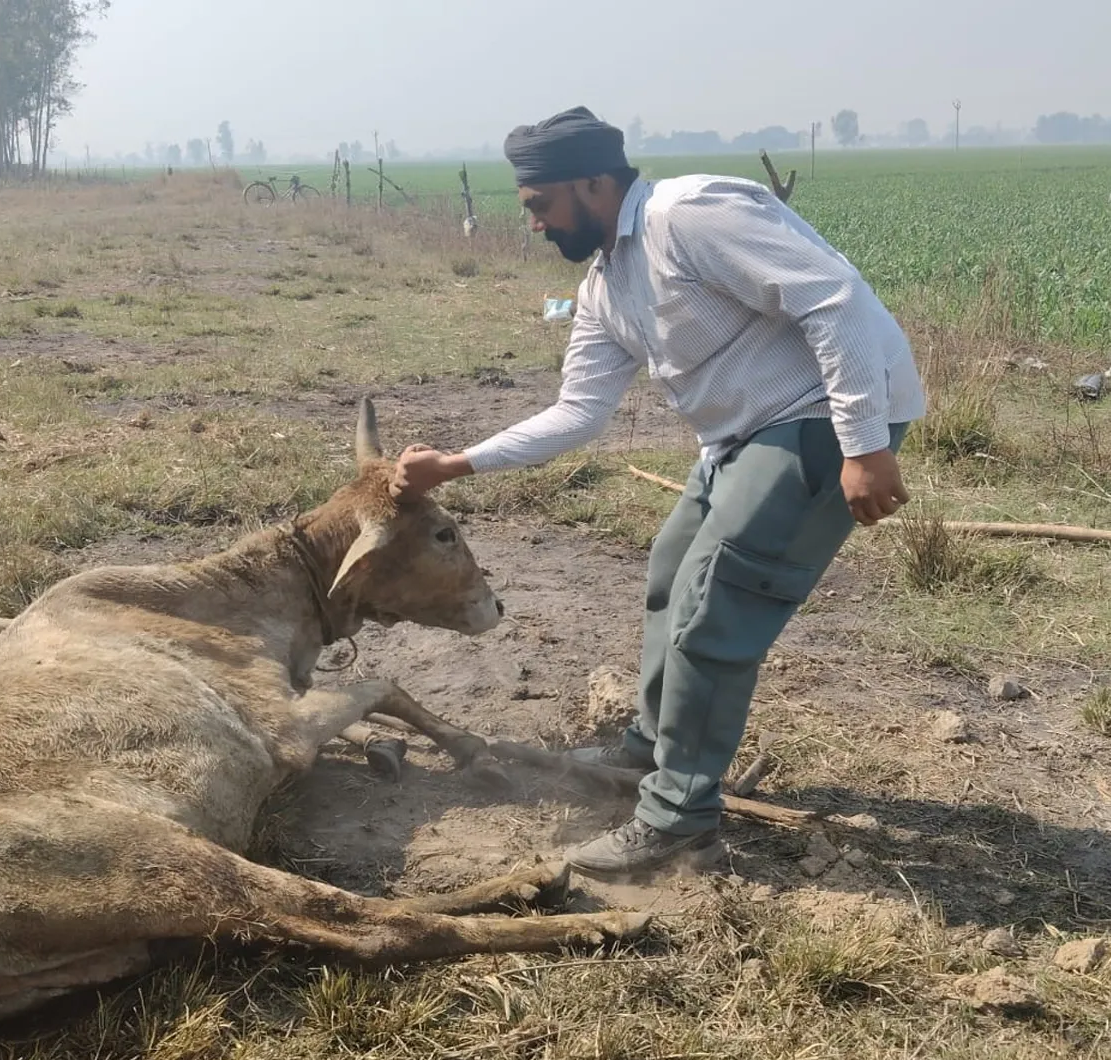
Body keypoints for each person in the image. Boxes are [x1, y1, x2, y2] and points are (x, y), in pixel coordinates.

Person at [389, 106, 926, 879]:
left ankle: (680, 822)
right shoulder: (605, 284)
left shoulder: (688, 216)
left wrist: (865, 444)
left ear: (596, 183)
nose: (535, 224)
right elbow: (577, 413)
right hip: (740, 437)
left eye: (541, 205)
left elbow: (831, 300)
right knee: (672, 574)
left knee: (715, 607)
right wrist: (457, 463)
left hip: (819, 420)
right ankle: (649, 749)